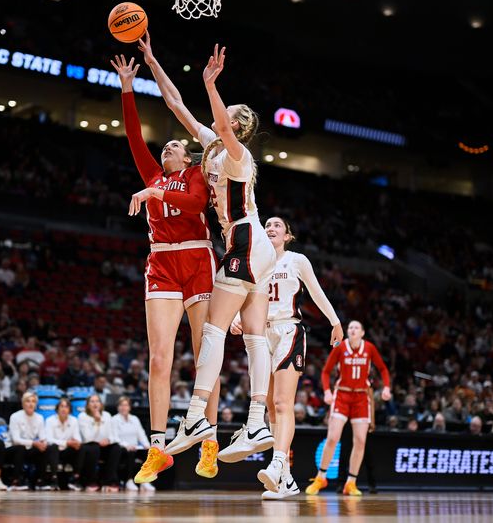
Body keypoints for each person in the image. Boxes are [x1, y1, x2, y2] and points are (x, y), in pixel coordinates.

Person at [138, 34, 276, 463]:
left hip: (245, 238)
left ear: (235, 125)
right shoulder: (213, 146)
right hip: (254, 246)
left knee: (214, 330)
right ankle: (256, 421)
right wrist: (153, 59)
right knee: (253, 337)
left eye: (227, 114)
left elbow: (218, 123)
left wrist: (212, 85)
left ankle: (197, 416)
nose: (220, 114)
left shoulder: (237, 154)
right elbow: (176, 104)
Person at [110, 53, 219, 486]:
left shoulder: (196, 174)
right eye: (165, 146)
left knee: (202, 354)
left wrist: (154, 196)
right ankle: (158, 446)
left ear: (185, 154)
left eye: (172, 144)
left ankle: (208, 439)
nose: (165, 147)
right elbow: (133, 135)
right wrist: (126, 87)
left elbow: (194, 205)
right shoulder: (154, 173)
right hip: (161, 263)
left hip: (196, 258)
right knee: (159, 358)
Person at [230, 217, 343, 499]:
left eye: (277, 225)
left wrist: (335, 321)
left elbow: (317, 292)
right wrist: (233, 317)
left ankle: (278, 463)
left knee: (282, 403)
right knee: (270, 407)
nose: (271, 228)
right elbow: (241, 295)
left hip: (288, 330)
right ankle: (287, 481)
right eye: (267, 225)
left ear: (287, 235)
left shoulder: (296, 260)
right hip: (260, 334)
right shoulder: (254, 261)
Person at [306, 321, 391, 496]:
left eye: (356, 328)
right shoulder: (340, 347)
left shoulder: (369, 348)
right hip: (342, 396)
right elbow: (325, 372)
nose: (352, 330)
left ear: (363, 333)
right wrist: (327, 392)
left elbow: (383, 368)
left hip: (361, 397)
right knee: (332, 437)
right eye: (350, 327)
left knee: (360, 441)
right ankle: (321, 477)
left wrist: (387, 387)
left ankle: (351, 483)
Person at [7, 392, 59, 490]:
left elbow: (43, 437)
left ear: (36, 404)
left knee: (46, 448)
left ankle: (41, 481)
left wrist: (43, 443)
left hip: (30, 448)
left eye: (33, 401)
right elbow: (16, 440)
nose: (31, 404)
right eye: (28, 401)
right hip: (14, 449)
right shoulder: (15, 416)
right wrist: (34, 443)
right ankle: (15, 481)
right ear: (23, 404)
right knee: (20, 448)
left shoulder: (39, 418)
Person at [78, 395, 123, 492]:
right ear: (87, 405)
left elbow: (113, 435)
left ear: (101, 404)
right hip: (89, 446)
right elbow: (88, 438)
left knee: (116, 448)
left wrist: (108, 440)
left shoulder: (107, 415)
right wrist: (97, 422)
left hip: (104, 445)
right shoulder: (83, 416)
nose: (95, 404)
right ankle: (91, 481)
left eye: (97, 401)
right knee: (94, 447)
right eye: (92, 401)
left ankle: (109, 481)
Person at [110, 396, 152, 491]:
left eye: (126, 405)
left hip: (136, 447)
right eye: (121, 405)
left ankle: (145, 481)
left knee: (150, 452)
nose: (124, 407)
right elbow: (115, 437)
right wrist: (126, 445)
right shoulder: (114, 419)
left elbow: (141, 434)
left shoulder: (135, 419)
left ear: (129, 407)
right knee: (130, 452)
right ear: (118, 407)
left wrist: (147, 445)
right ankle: (129, 480)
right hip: (122, 448)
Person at [45, 398, 85, 491]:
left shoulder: (74, 420)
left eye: (66, 407)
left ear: (70, 410)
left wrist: (75, 443)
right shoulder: (50, 420)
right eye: (61, 406)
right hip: (54, 452)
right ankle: (54, 479)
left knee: (81, 447)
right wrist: (66, 442)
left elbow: (78, 438)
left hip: (67, 451)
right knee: (53, 447)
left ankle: (75, 478)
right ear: (57, 409)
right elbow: (49, 440)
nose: (63, 409)